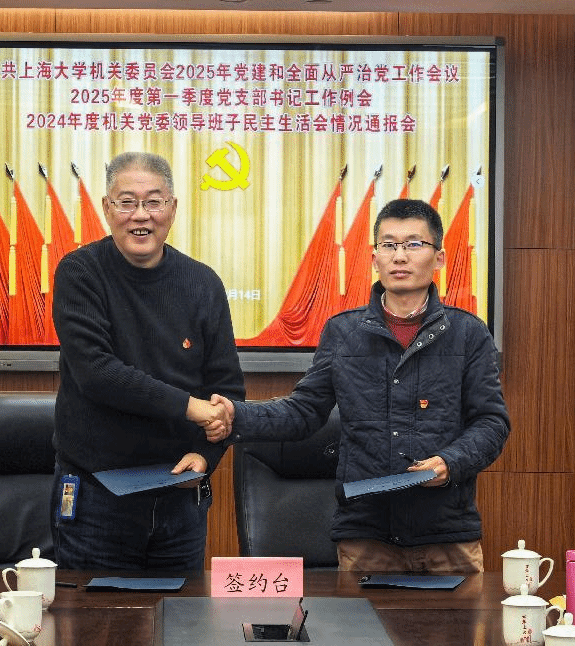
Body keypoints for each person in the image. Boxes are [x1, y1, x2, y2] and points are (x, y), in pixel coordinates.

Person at [211, 199, 509, 573]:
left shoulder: (468, 333)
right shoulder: (343, 332)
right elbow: (304, 411)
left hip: (447, 535)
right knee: (360, 615)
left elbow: (491, 423)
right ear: (374, 258)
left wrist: (452, 462)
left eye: (414, 244)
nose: (400, 256)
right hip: (366, 537)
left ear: (439, 258)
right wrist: (236, 414)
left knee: (460, 616)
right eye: (389, 245)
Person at [51, 151, 244, 571]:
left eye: (154, 202)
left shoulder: (202, 283)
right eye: (127, 202)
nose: (141, 216)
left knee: (179, 613)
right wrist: (191, 408)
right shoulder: (80, 273)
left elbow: (227, 389)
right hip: (97, 502)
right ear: (107, 208)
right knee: (94, 614)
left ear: (172, 209)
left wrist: (205, 456)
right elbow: (97, 373)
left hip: (181, 497)